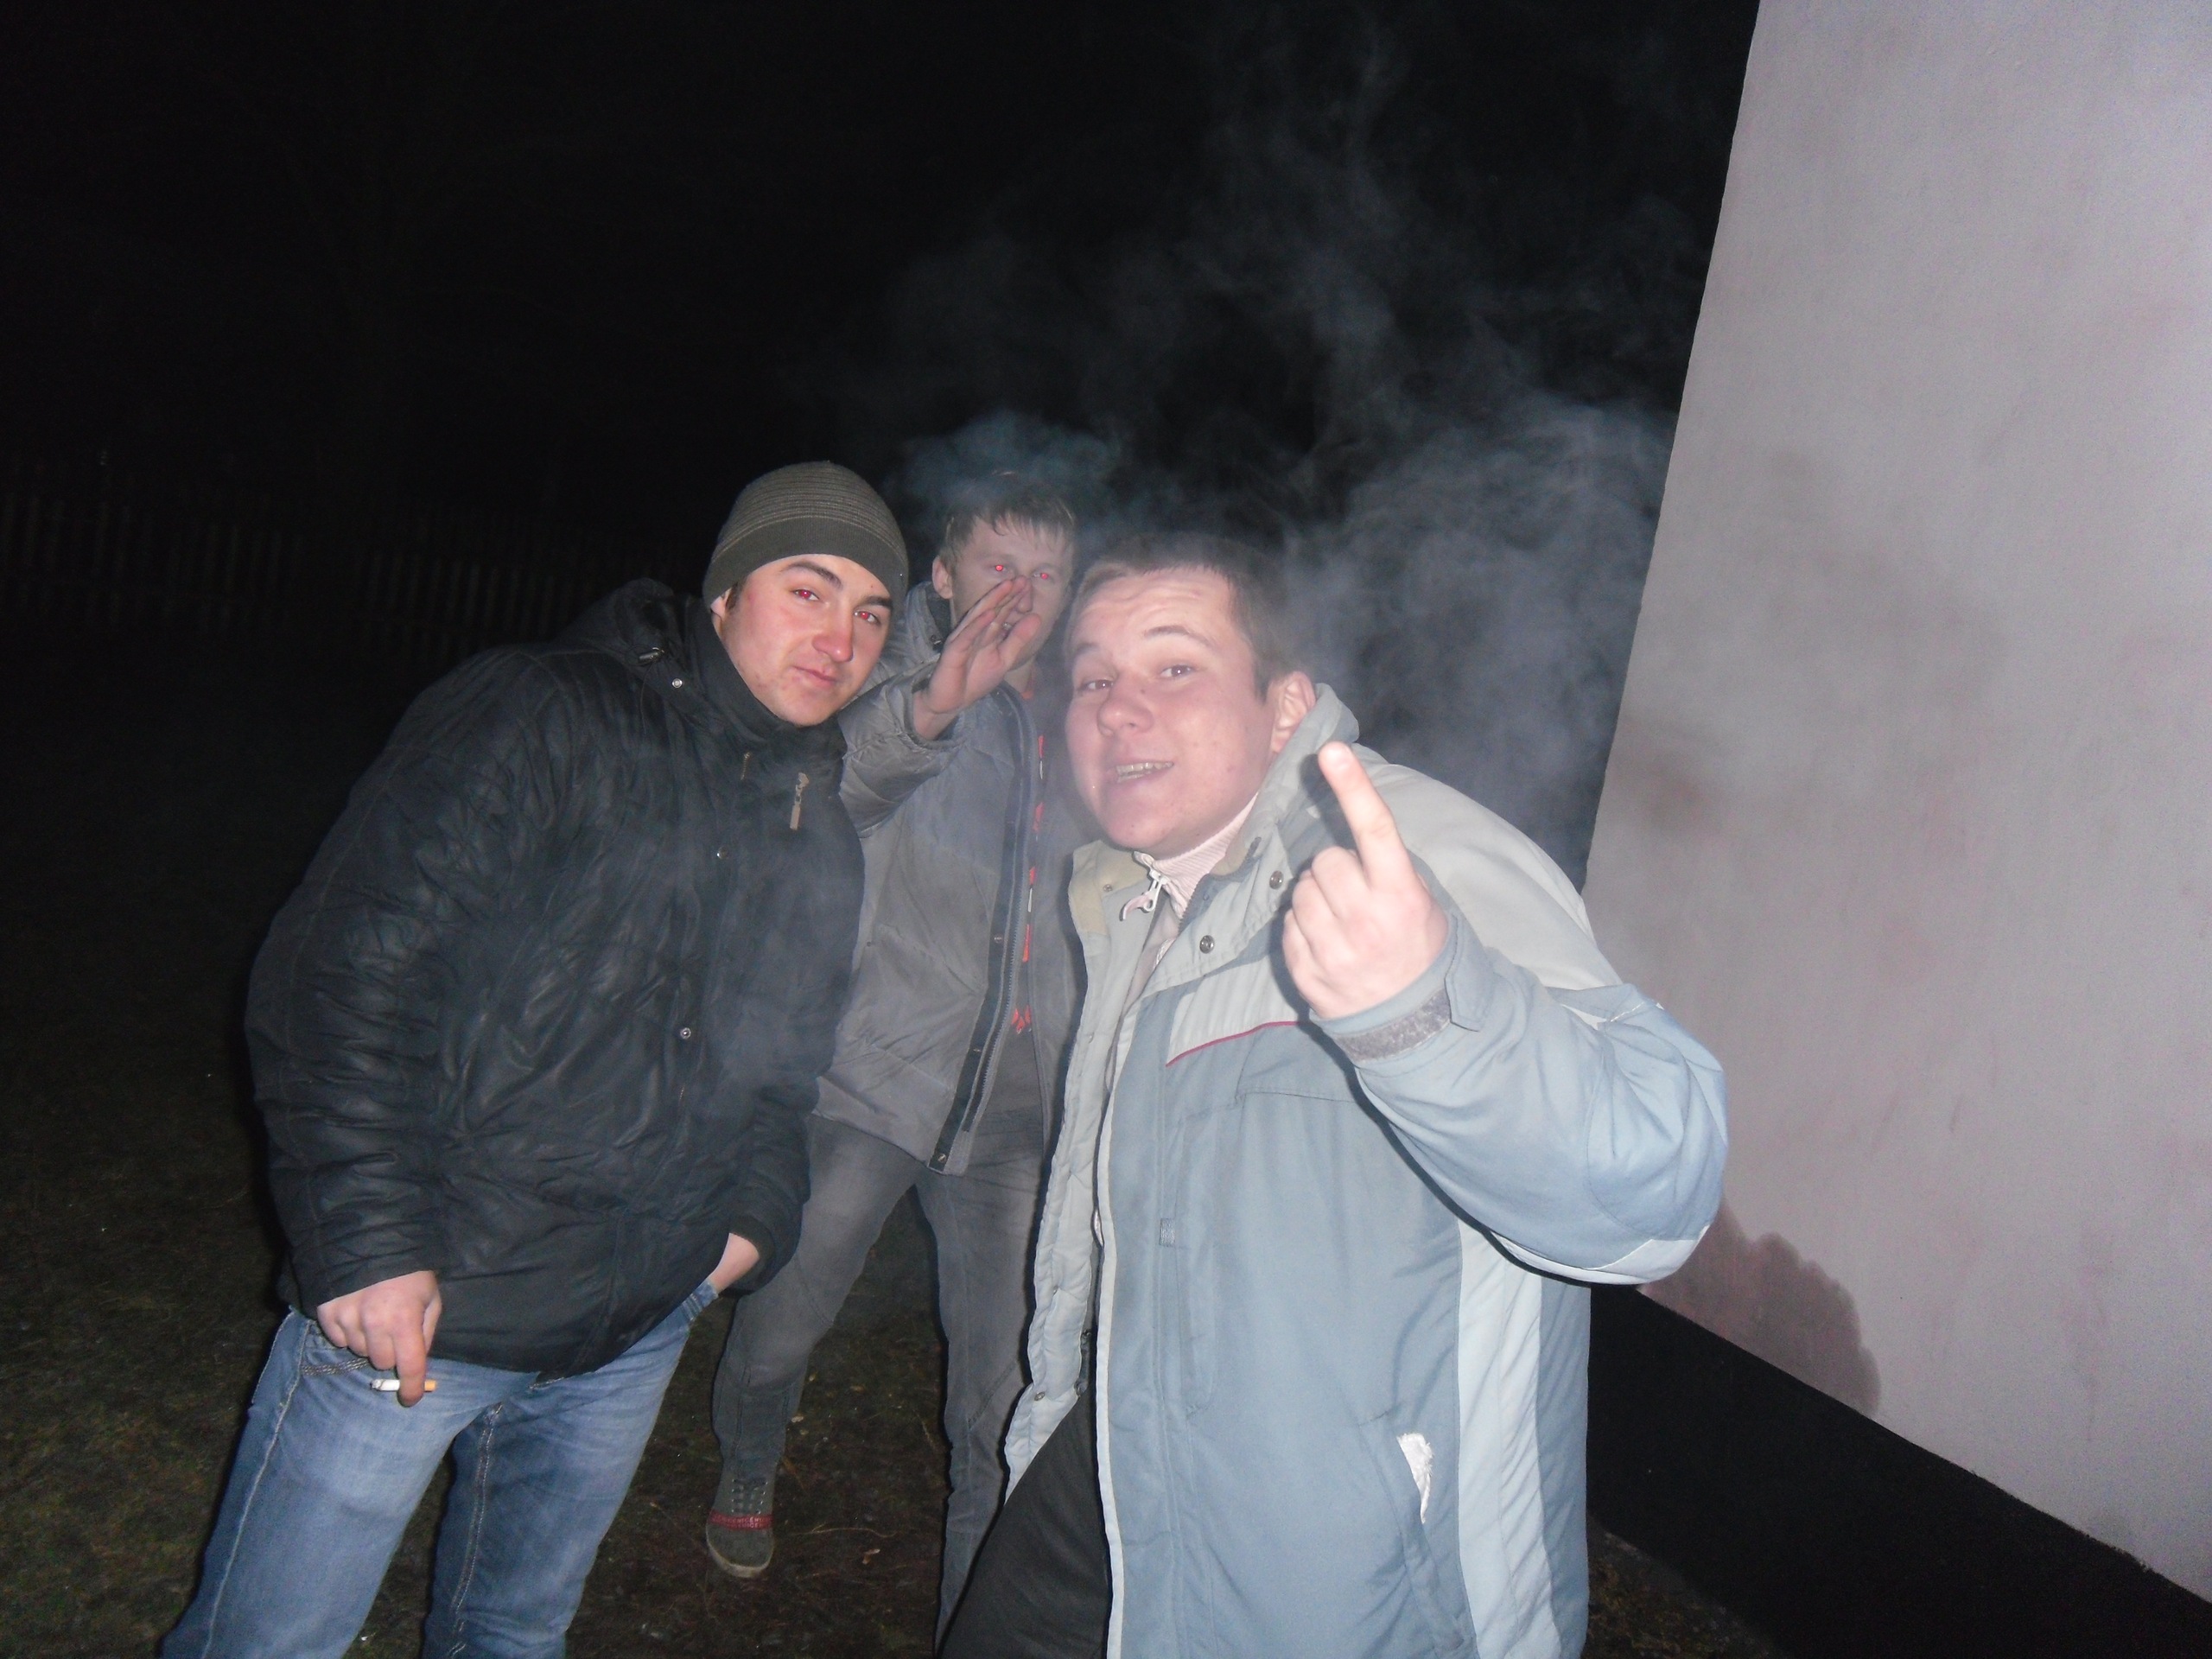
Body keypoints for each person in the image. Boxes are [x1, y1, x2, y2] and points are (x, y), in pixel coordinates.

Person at [162, 461, 909, 1659]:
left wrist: (740, 1235)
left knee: (511, 1634)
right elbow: (345, 970)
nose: (842, 639)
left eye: (873, 614)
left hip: (632, 1329)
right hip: (431, 1302)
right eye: (808, 589)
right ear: (723, 594)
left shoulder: (817, 828)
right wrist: (369, 1242)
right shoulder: (544, 711)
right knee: (269, 1642)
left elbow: (786, 1069)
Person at [943, 534, 1729, 1659]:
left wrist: (1425, 1010)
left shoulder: (1413, 851)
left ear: (1285, 709)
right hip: (1130, 1438)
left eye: (1176, 666)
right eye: (1093, 678)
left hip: (1344, 1561)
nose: (1119, 709)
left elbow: (1658, 1189)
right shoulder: (1130, 897)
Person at [706, 474, 1086, 1630]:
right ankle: (746, 1466)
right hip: (873, 1077)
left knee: (1002, 1396)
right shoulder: (881, 675)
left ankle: (979, 1617)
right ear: (944, 575)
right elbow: (837, 787)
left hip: (1017, 1110)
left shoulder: (1092, 711)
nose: (1022, 594)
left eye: (1048, 574)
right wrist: (930, 711)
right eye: (999, 566)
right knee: (781, 1320)